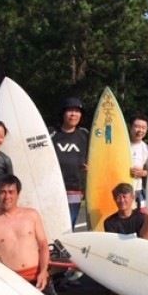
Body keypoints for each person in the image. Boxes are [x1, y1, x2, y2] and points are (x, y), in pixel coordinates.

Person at [50, 97, 89, 230]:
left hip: (74, 189)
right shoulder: (51, 133)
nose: (73, 114)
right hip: (52, 189)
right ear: (63, 113)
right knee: (50, 225)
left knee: (68, 227)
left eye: (77, 111)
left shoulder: (85, 135)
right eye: (70, 111)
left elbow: (97, 154)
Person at [129, 114, 148, 208]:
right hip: (119, 191)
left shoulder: (146, 149)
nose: (140, 130)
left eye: (143, 128)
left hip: (137, 191)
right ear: (130, 127)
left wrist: (144, 173)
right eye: (137, 127)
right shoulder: (120, 144)